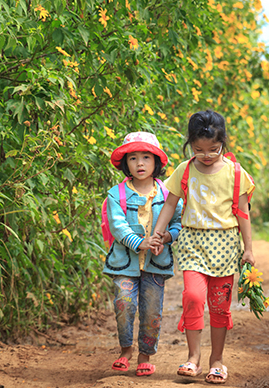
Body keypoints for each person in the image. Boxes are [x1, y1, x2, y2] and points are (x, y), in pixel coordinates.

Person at [150, 110, 255, 384]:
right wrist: (158, 233)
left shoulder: (235, 173)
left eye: (214, 149)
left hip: (226, 245)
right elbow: (170, 203)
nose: (206, 155)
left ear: (223, 143)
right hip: (193, 244)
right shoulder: (184, 170)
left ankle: (217, 361)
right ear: (190, 145)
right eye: (199, 149)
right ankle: (193, 358)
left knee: (220, 307)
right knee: (193, 297)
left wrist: (249, 249)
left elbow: (243, 212)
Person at [104, 132, 183, 377]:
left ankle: (145, 355)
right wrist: (140, 243)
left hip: (155, 265)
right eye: (133, 158)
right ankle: (126, 349)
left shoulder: (167, 194)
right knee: (124, 304)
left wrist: (167, 237)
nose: (140, 163)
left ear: (156, 162)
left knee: (152, 311)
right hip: (124, 264)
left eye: (146, 157)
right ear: (125, 163)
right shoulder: (116, 194)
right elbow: (118, 226)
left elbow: (178, 222)